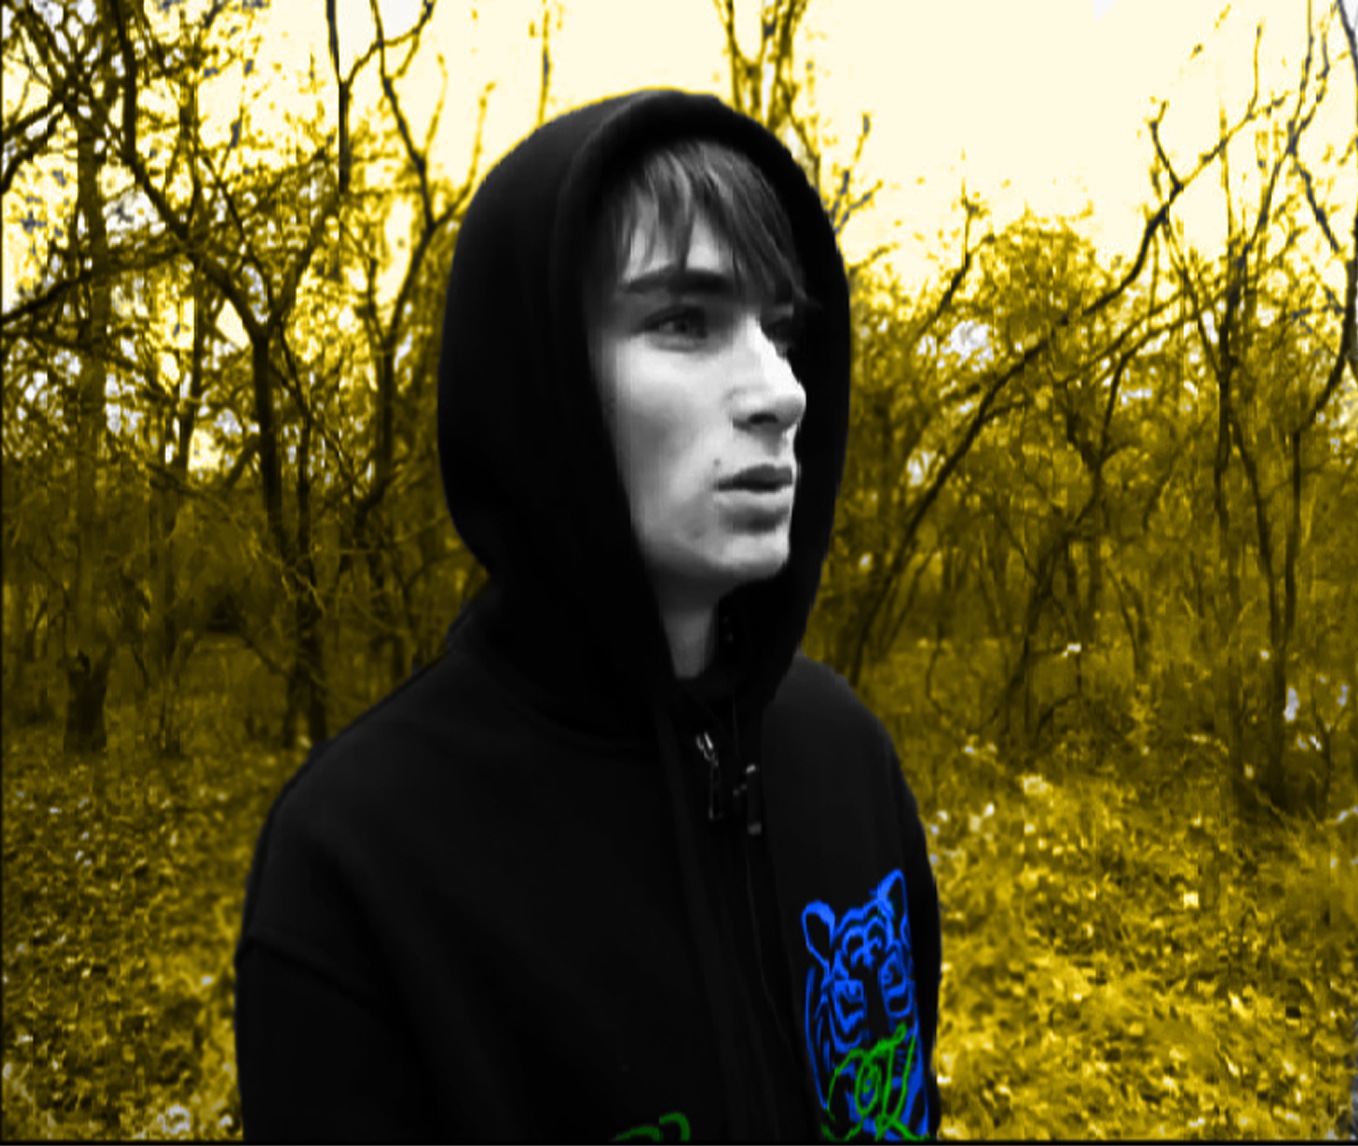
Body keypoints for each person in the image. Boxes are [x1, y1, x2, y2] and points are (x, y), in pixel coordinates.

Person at [233, 88, 941, 1142]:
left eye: (780, 329)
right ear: (541, 383)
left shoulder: (843, 757)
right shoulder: (360, 863)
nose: (780, 391)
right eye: (684, 321)